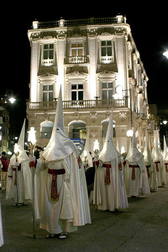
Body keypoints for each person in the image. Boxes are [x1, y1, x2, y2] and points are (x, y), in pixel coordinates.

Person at [34, 87, 91, 239]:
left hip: (63, 182)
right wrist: (37, 164)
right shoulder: (48, 149)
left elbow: (73, 167)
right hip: (50, 181)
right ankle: (53, 229)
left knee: (63, 207)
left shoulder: (69, 149)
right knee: (50, 206)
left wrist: (70, 177)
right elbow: (43, 164)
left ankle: (64, 229)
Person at [93, 115, 128, 211]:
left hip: (113, 174)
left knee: (112, 191)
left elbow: (120, 165)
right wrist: (96, 158)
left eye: (109, 141)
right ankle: (104, 206)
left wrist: (121, 161)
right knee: (104, 191)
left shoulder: (116, 154)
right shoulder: (102, 153)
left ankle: (113, 205)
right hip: (103, 174)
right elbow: (98, 164)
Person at [6, 120, 32, 206]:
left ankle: (21, 201)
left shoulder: (24, 156)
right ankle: (16, 201)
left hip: (21, 176)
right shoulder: (14, 157)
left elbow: (26, 166)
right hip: (15, 175)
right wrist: (11, 172)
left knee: (21, 188)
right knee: (15, 188)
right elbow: (10, 165)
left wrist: (20, 164)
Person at [125, 130, 150, 197]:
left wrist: (142, 169)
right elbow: (127, 162)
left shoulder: (139, 154)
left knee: (136, 182)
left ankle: (136, 192)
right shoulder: (129, 153)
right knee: (131, 181)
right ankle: (131, 192)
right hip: (131, 170)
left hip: (136, 170)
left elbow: (141, 162)